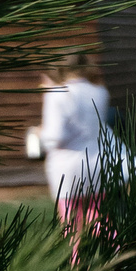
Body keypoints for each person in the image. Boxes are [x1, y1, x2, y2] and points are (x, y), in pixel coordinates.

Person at [39, 55, 113, 242]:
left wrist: (40, 134)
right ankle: (117, 254)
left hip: (67, 164)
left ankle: (78, 264)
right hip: (97, 161)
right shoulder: (99, 91)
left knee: (72, 222)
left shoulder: (57, 94)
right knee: (100, 216)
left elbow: (55, 137)